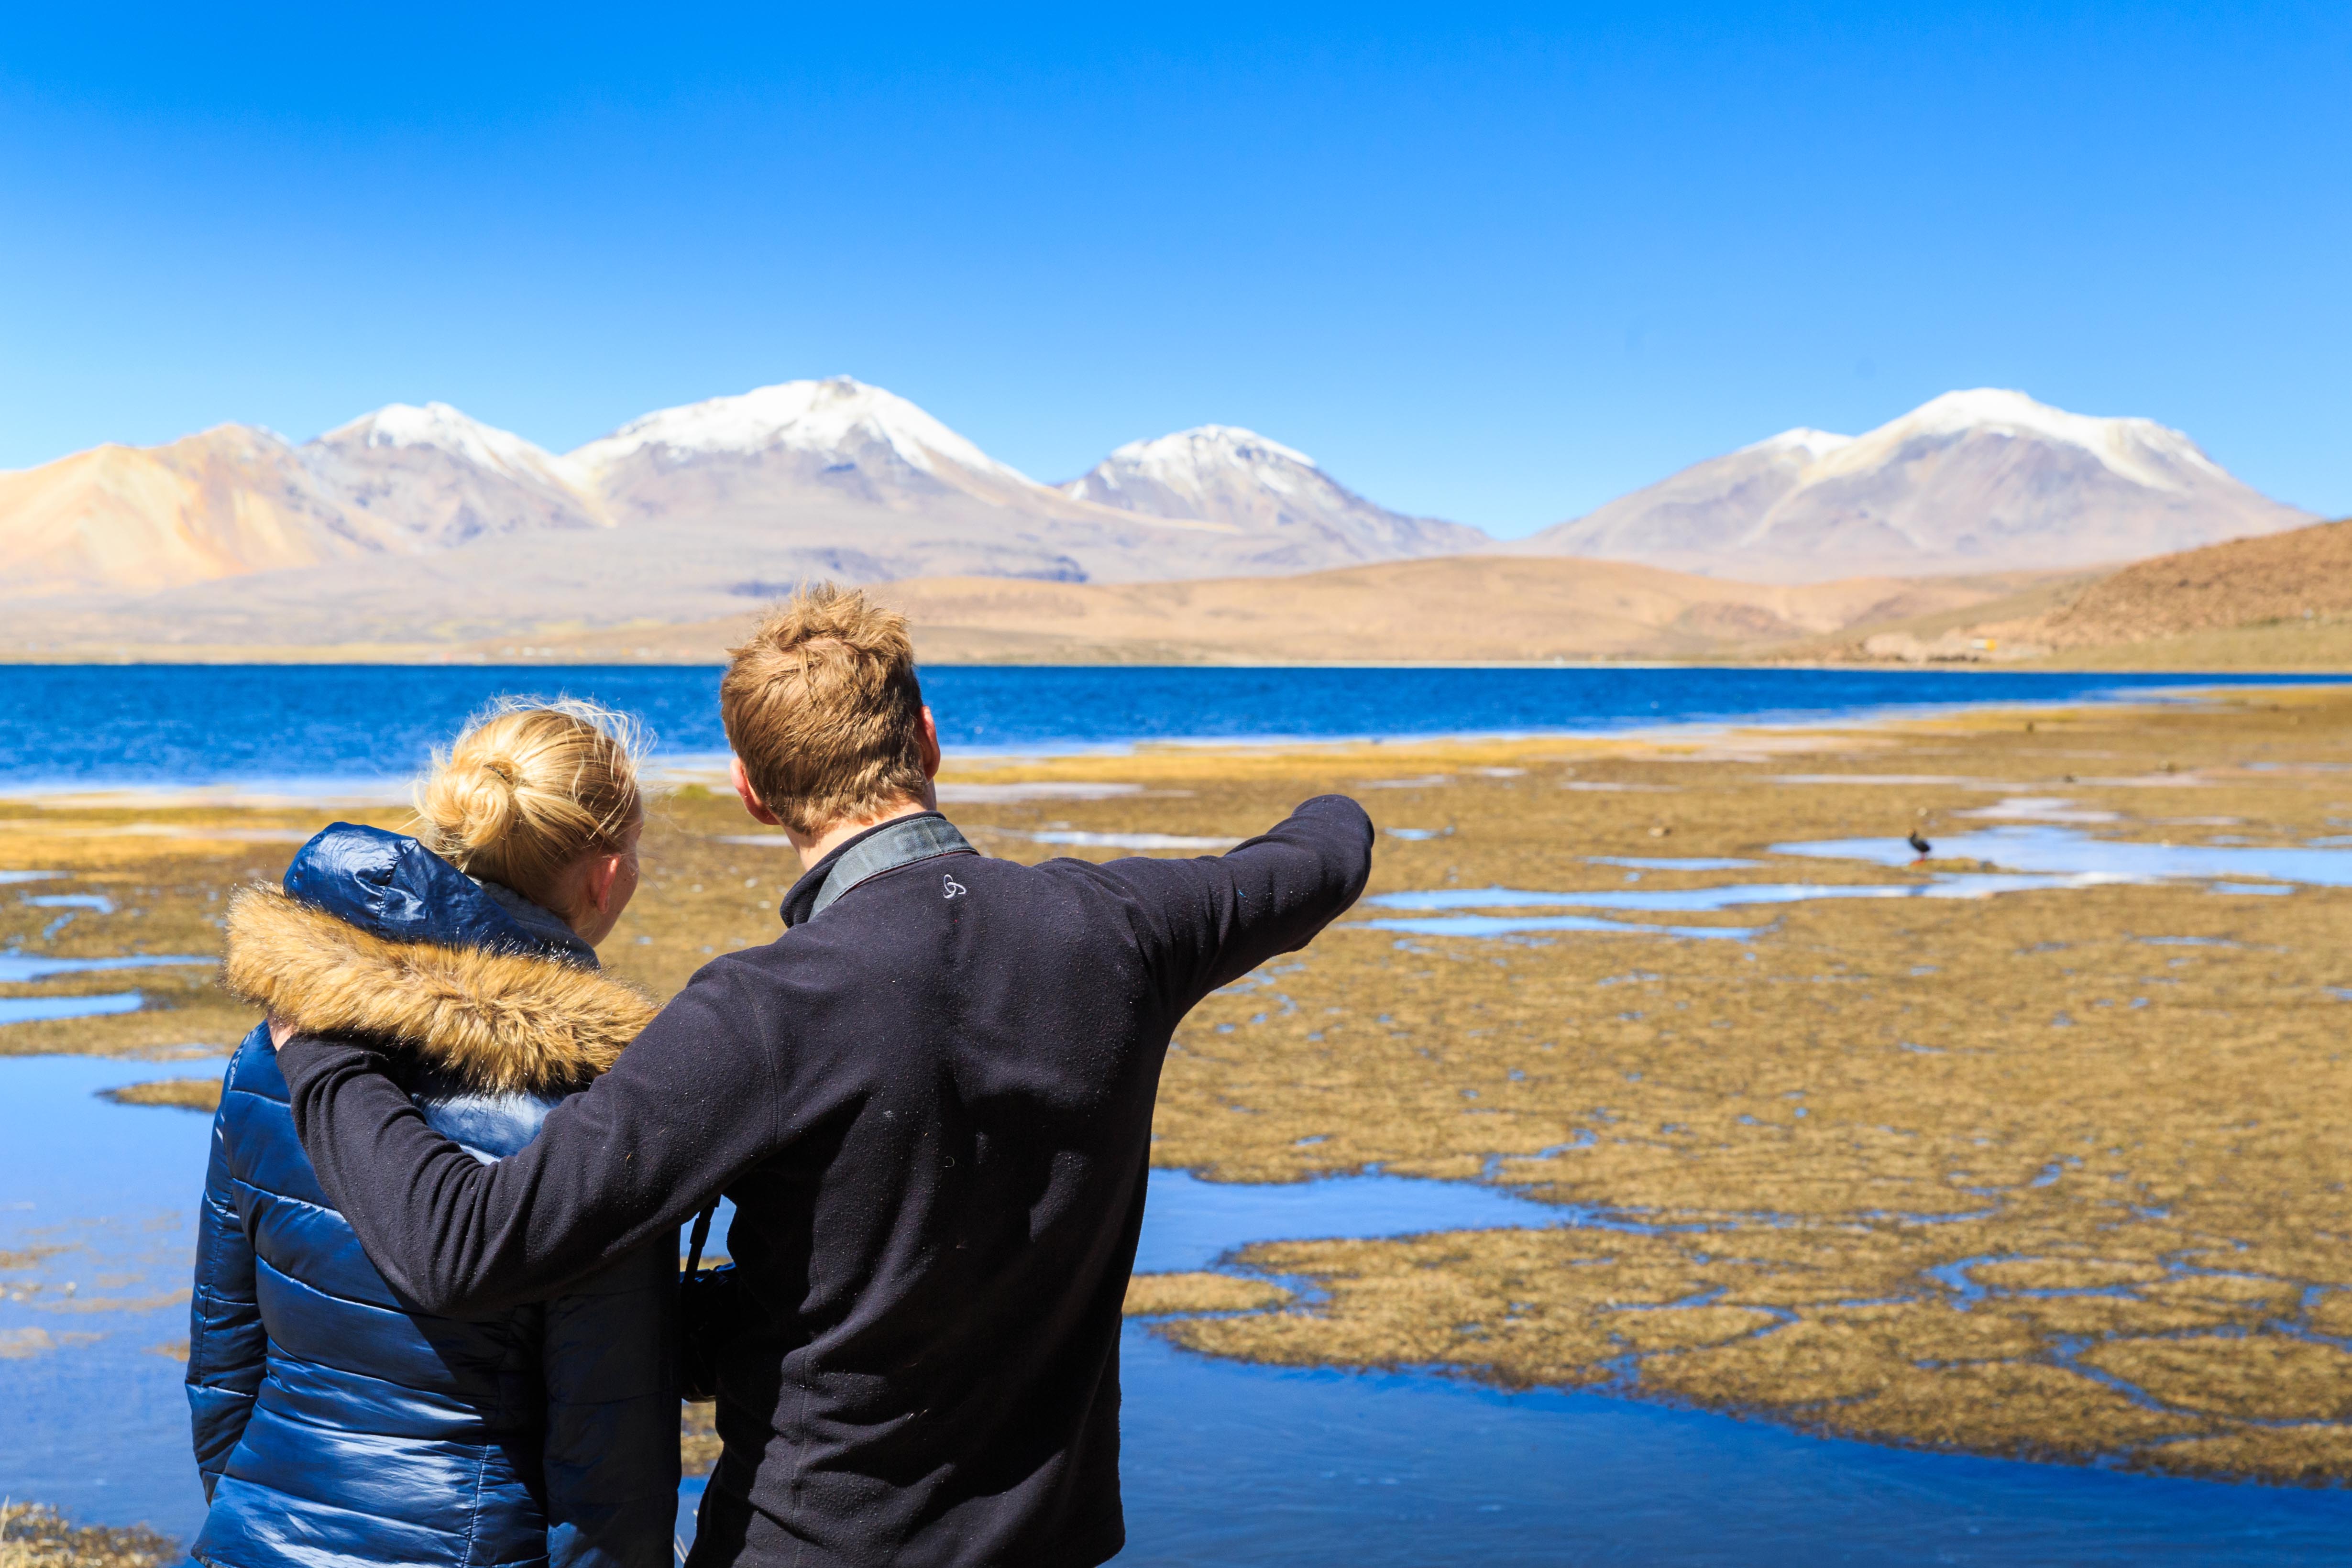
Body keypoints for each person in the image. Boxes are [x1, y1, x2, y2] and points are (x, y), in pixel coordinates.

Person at [275, 584, 1375, 1568]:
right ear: (927, 739)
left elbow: (463, 1244)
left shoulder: (762, 1010)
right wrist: (1338, 804)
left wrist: (323, 1044)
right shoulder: (1120, 927)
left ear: (754, 793)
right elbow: (1323, 854)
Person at [186, 700, 679, 1568]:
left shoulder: (274, 1053)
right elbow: (609, 1473)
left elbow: (223, 1363)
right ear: (606, 876)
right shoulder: (593, 1114)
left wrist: (249, 1519)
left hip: (252, 1540)